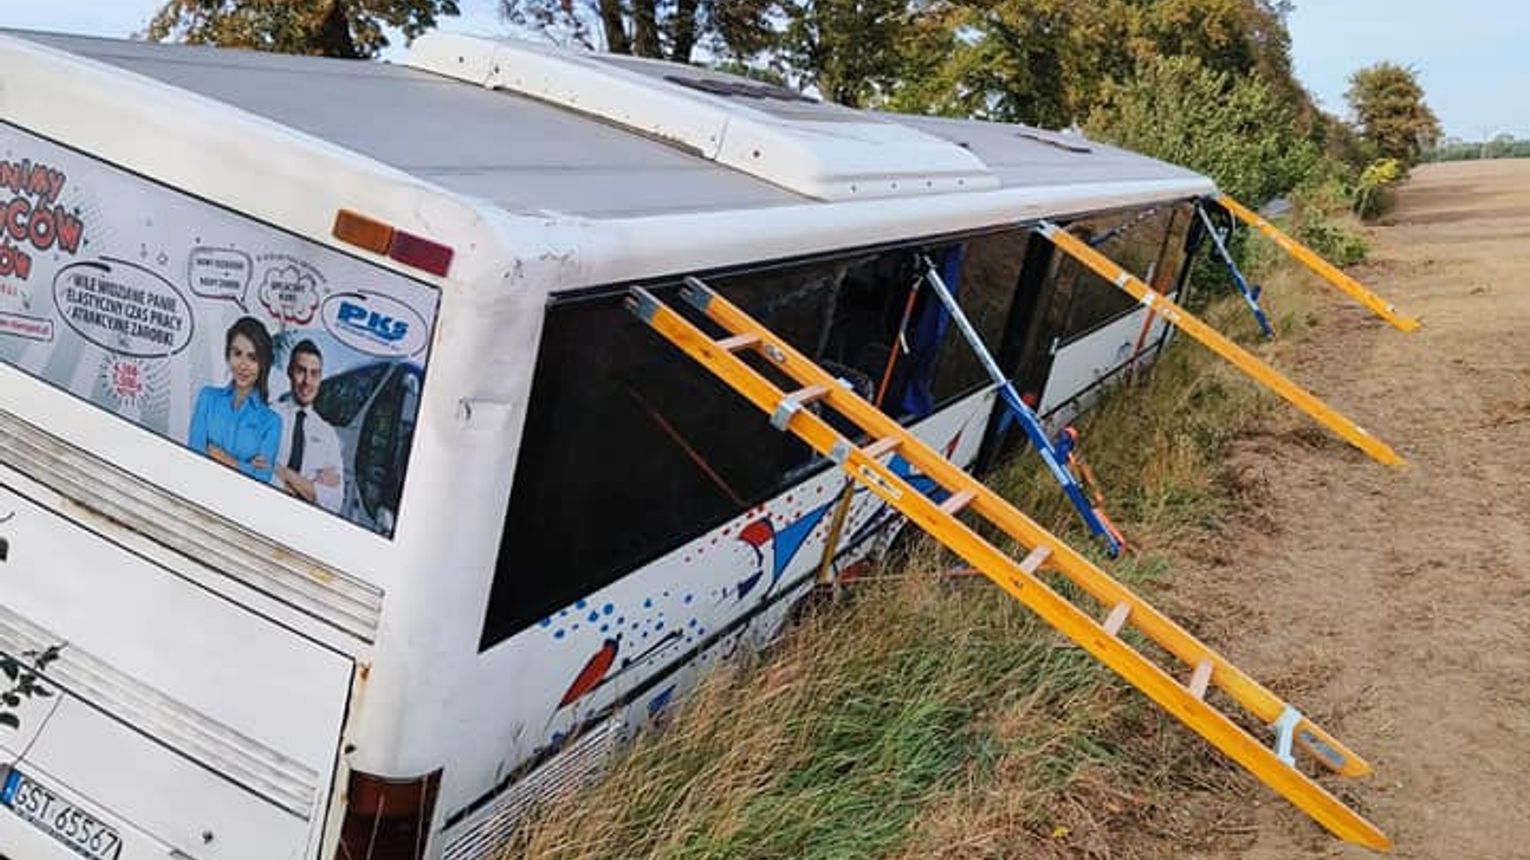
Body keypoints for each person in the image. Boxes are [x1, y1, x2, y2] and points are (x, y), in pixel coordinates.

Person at [187, 316, 282, 482]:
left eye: (252, 358)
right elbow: (194, 456)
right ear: (228, 355)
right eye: (237, 354)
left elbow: (261, 478)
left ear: (263, 364)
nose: (243, 365)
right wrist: (246, 466)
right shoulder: (207, 398)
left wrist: (221, 456)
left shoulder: (272, 422)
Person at [271, 339, 346, 513]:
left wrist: (281, 471)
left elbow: (334, 501)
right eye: (301, 371)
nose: (307, 381)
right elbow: (252, 468)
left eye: (314, 374)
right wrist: (310, 485)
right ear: (290, 372)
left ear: (320, 379)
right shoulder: (269, 415)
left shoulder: (328, 435)